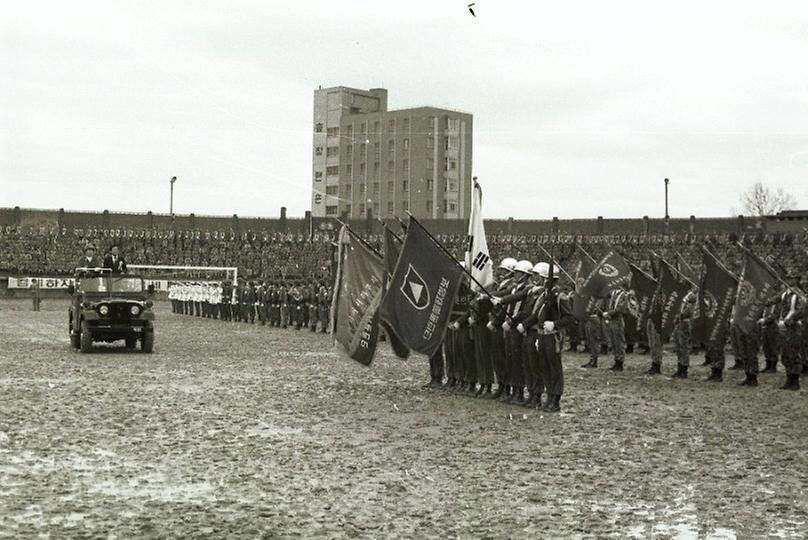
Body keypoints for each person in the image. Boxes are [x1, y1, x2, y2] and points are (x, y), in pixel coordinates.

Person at [778, 277, 803, 390]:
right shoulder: (785, 294)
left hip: (794, 327)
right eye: (787, 278)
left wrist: (790, 320)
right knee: (786, 353)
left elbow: (801, 310)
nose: (788, 281)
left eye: (791, 279)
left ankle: (795, 381)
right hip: (784, 327)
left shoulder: (798, 294)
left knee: (794, 353)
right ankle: (789, 378)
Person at [603, 282, 631, 371]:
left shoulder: (624, 295)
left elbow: (621, 308)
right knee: (613, 340)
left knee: (619, 340)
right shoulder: (614, 293)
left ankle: (620, 362)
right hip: (611, 319)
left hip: (618, 319)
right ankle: (616, 360)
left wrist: (609, 313)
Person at [671, 288, 697, 379]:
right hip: (679, 323)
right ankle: (680, 367)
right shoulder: (683, 296)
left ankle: (684, 369)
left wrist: (680, 314)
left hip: (685, 323)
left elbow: (690, 310)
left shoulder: (691, 296)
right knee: (678, 347)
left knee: (683, 347)